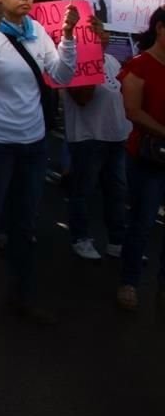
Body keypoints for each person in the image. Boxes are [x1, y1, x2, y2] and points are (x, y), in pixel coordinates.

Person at [0, 0, 78, 330]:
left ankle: (22, 298)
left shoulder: (37, 31)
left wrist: (68, 36)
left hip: (32, 144)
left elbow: (61, 74)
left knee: (24, 226)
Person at [63, 16, 129, 260]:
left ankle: (117, 241)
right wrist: (92, 56)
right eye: (94, 31)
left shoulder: (112, 60)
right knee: (83, 191)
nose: (102, 34)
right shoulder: (73, 62)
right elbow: (82, 98)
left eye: (102, 29)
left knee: (117, 192)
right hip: (88, 138)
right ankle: (80, 237)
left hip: (116, 137)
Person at [115, 6, 165, 312]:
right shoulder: (139, 65)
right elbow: (132, 111)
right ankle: (129, 282)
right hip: (148, 159)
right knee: (142, 223)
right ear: (160, 28)